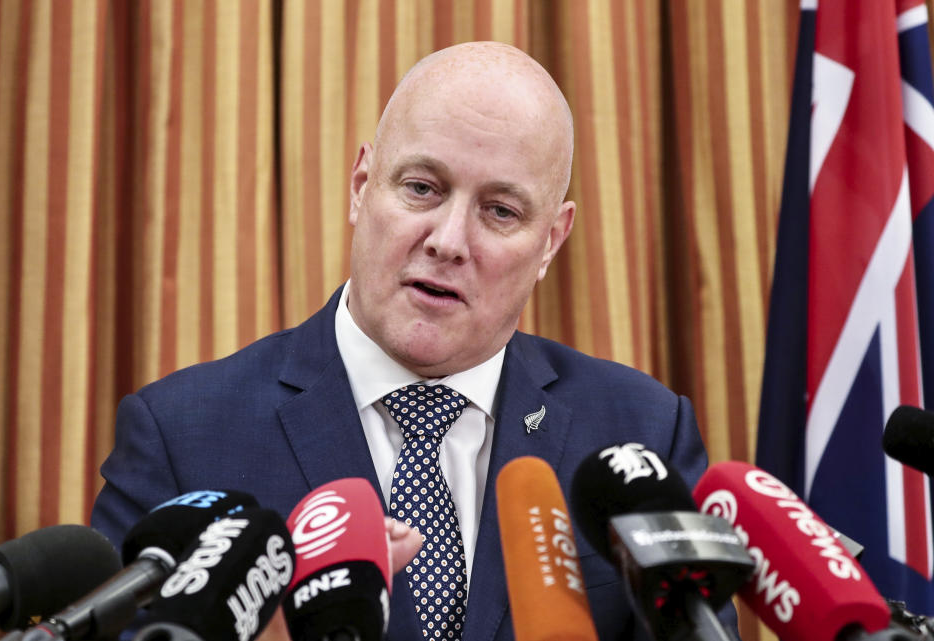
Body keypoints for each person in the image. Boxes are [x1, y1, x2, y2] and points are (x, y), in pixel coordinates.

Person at [92, 41, 725, 641]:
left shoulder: (642, 433)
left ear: (551, 243)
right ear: (362, 186)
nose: (448, 240)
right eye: (422, 188)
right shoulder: (182, 435)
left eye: (500, 211)